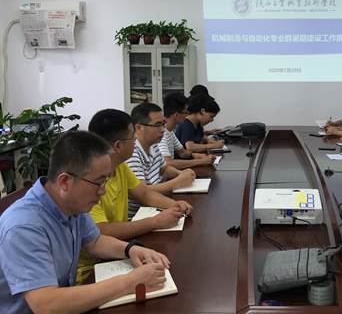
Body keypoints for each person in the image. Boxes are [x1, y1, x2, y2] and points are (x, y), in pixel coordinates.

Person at [0, 131, 169, 314]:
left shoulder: (70, 203)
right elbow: (46, 305)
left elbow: (95, 241)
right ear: (65, 181)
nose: (103, 191)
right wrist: (130, 282)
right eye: (99, 182)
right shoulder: (24, 226)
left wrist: (131, 249)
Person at [76, 108, 194, 284]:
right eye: (132, 137)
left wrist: (174, 205)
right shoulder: (88, 179)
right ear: (118, 146)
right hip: (92, 269)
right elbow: (100, 232)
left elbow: (144, 193)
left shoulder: (120, 166)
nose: (135, 141)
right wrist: (155, 222)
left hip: (117, 251)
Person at [126, 102, 196, 218]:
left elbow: (164, 169)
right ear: (138, 127)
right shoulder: (132, 153)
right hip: (140, 214)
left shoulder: (153, 144)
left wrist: (181, 174)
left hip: (154, 205)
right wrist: (177, 182)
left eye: (163, 124)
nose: (163, 129)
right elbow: (143, 192)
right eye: (157, 125)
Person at [160, 92, 215, 169]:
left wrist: (197, 156)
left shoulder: (170, 131)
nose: (187, 115)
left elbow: (182, 153)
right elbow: (169, 163)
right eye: (185, 112)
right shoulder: (160, 134)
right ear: (176, 115)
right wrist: (201, 161)